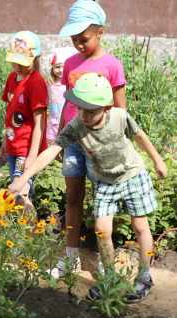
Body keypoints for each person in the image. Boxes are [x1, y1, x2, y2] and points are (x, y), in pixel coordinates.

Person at [10, 73, 167, 302]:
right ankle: (109, 279)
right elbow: (52, 151)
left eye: (91, 111)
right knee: (102, 229)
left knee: (140, 225)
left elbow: (140, 136)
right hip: (105, 181)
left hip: (132, 175)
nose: (84, 115)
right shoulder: (76, 126)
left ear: (105, 107)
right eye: (80, 109)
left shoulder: (119, 117)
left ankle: (144, 276)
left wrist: (157, 160)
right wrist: (24, 178)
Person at [52, 0, 127, 278]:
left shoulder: (112, 65)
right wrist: (61, 137)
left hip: (100, 145)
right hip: (73, 142)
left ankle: (106, 264)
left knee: (102, 203)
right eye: (74, 39)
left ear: (100, 32)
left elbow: (120, 110)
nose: (78, 45)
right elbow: (67, 104)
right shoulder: (70, 63)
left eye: (83, 39)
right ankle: (71, 258)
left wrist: (115, 144)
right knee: (72, 198)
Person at [2, 31, 48, 208]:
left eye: (22, 63)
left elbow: (40, 123)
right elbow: (9, 111)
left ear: (35, 58)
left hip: (26, 148)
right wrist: (4, 140)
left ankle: (24, 226)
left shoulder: (36, 82)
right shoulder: (12, 78)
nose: (18, 66)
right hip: (13, 144)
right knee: (17, 184)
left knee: (19, 188)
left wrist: (32, 155)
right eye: (15, 62)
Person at [46, 47, 78, 144]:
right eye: (57, 67)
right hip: (53, 123)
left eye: (64, 66)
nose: (61, 70)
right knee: (53, 145)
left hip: (67, 121)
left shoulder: (72, 84)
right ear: (52, 67)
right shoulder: (50, 83)